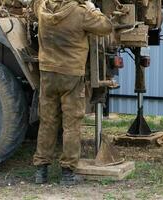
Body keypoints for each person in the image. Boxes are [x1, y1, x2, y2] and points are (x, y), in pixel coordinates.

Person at [31, 0, 112, 185]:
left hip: (48, 73)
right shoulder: (80, 13)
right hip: (71, 74)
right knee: (71, 124)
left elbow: (33, 5)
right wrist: (93, 8)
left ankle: (41, 171)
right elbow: (106, 26)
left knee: (47, 121)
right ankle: (67, 172)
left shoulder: (42, 8)